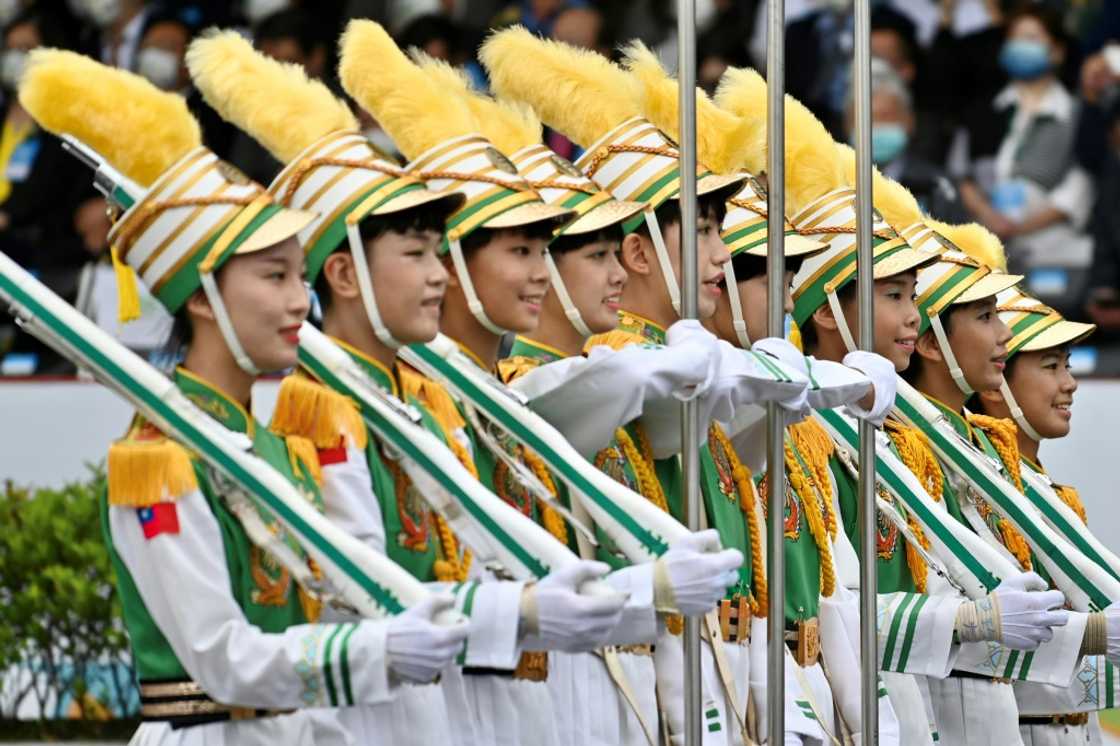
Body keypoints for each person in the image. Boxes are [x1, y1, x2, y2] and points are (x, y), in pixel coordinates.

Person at [19, 48, 472, 745]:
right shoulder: (157, 461)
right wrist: (374, 649)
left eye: (299, 278)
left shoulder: (280, 449)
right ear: (202, 297)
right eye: (273, 277)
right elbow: (222, 656)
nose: (298, 303)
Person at [958, 5, 1094, 317]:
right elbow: (961, 174)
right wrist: (989, 216)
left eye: (1032, 38)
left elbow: (1081, 183)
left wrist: (1022, 227)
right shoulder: (983, 110)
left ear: (1057, 51)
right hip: (987, 247)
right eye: (1015, 38)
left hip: (1052, 249)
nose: (1021, 46)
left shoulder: (1076, 114)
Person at [0, 7, 90, 374]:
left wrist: (8, 216)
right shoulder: (2, 114)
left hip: (37, 247)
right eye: (9, 48)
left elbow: (51, 188)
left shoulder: (64, 121)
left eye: (25, 49)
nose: (13, 58)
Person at [845, 59, 966, 223]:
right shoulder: (831, 186)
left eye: (886, 117)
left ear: (909, 121)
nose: (874, 127)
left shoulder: (938, 186)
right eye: (864, 119)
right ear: (847, 124)